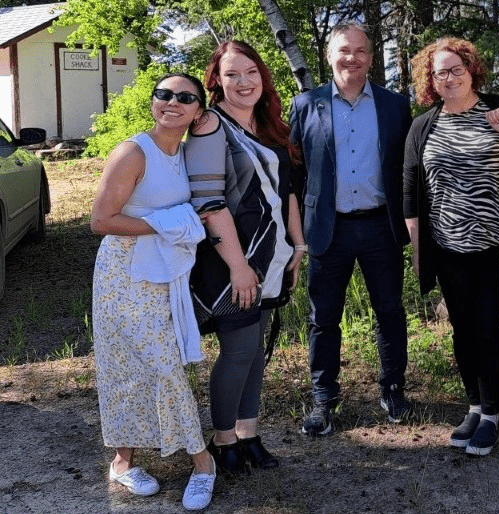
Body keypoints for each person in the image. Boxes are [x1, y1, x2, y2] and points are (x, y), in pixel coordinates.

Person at [90, 72, 217, 510]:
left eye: (185, 97)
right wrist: (168, 226)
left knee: (150, 361)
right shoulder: (132, 152)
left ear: (198, 110)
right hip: (122, 274)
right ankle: (203, 463)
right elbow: (101, 221)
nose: (173, 102)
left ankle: (123, 461)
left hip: (163, 274)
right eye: (164, 94)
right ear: (152, 103)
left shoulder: (184, 154)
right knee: (142, 363)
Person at [185, 40, 305, 474]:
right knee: (237, 350)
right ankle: (223, 443)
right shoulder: (210, 126)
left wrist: (297, 245)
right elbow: (209, 204)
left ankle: (249, 435)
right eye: (232, 74)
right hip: (229, 259)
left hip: (270, 256)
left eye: (251, 71)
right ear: (216, 81)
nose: (243, 81)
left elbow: (287, 189)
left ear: (263, 76)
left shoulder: (269, 126)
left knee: (255, 351)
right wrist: (238, 267)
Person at [289, 21, 413, 436]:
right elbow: (294, 170)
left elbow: (409, 168)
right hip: (328, 229)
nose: (352, 58)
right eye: (344, 50)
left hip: (382, 226)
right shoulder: (306, 104)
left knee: (390, 311)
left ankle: (393, 387)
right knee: (323, 318)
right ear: (329, 56)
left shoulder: (396, 105)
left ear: (371, 58)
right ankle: (324, 399)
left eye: (360, 51)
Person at [403, 37, 499, 456]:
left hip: (495, 246)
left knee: (491, 329)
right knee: (463, 329)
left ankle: (494, 414)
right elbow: (410, 187)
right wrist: (418, 246)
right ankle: (475, 406)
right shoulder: (423, 124)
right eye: (439, 72)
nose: (448, 78)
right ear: (430, 80)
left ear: (472, 69)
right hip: (446, 246)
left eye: (455, 69)